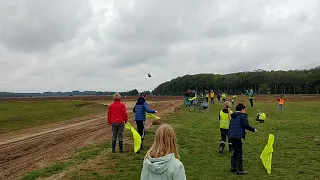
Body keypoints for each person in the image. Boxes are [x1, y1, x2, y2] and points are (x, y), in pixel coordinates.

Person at [228, 103, 257, 175]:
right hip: (237, 136)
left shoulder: (233, 115)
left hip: (231, 135)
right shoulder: (242, 116)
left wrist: (242, 131)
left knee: (235, 151)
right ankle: (240, 170)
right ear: (242, 109)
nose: (245, 111)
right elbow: (245, 125)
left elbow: (234, 125)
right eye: (245, 109)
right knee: (239, 152)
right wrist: (253, 129)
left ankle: (233, 167)